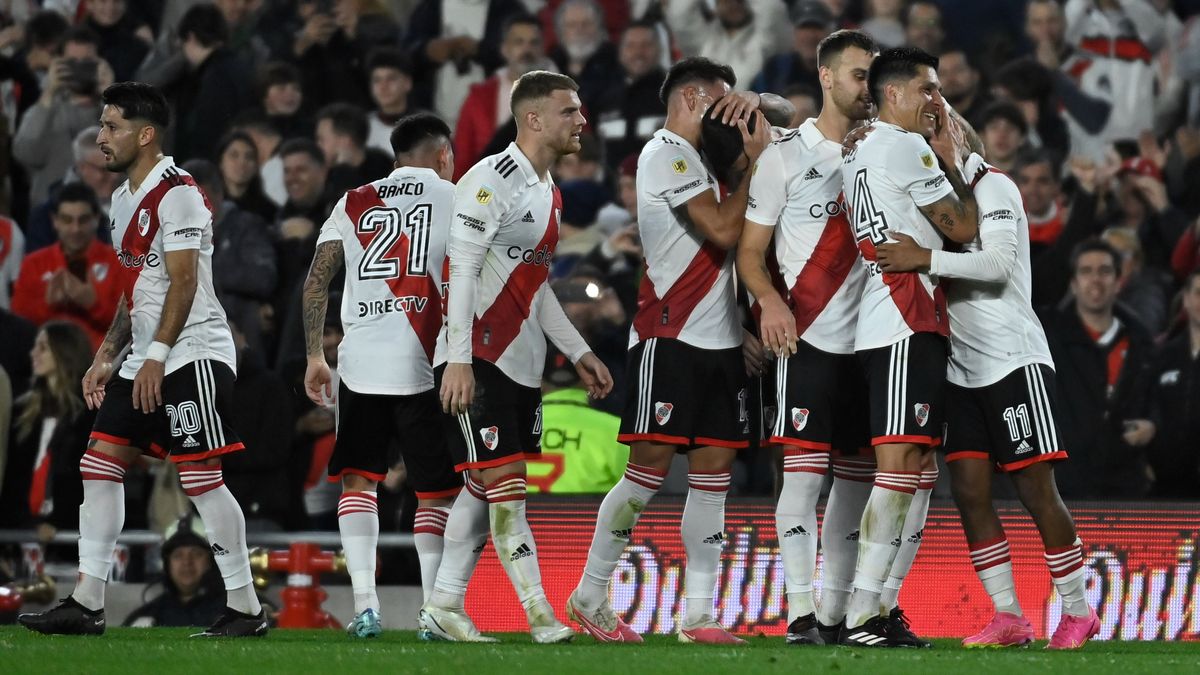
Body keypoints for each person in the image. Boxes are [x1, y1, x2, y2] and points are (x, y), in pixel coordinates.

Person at [18, 82, 266, 638]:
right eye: (102, 126)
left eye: (112, 127)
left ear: (146, 134)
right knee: (98, 463)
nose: (101, 138)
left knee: (200, 478)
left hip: (194, 350)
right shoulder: (122, 198)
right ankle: (88, 601)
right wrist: (107, 355)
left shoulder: (178, 193)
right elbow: (138, 292)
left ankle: (246, 608)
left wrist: (155, 355)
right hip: (149, 355)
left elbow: (183, 282)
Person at [567, 57, 768, 645]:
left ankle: (698, 616)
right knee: (645, 474)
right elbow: (723, 231)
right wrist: (754, 165)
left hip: (721, 344)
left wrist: (739, 326)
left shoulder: (707, 161)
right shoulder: (665, 153)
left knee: (713, 479)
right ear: (690, 100)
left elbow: (719, 262)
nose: (728, 115)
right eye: (720, 102)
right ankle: (590, 594)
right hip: (670, 338)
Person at [874, 129, 1099, 649]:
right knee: (970, 492)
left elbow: (997, 267)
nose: (928, 150)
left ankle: (1077, 611)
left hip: (1012, 359)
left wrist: (924, 258)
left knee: (1036, 491)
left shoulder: (993, 186)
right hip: (961, 368)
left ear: (957, 137)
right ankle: (1009, 615)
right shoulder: (932, 201)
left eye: (936, 135)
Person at [425, 70, 613, 644]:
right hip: (478, 356)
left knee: (482, 487)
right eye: (569, 111)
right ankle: (539, 613)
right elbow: (460, 271)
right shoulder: (490, 179)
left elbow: (535, 286)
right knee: (507, 485)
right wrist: (458, 360)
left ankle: (444, 604)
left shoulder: (549, 190)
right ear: (533, 118)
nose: (581, 120)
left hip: (519, 362)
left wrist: (578, 350)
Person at [739, 29, 881, 646]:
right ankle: (800, 612)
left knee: (856, 483)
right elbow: (750, 253)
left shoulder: (888, 151)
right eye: (858, 75)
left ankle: (837, 614)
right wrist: (769, 303)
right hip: (808, 340)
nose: (869, 88)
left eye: (874, 76)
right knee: (801, 479)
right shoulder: (784, 156)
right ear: (826, 76)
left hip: (875, 344)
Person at [301, 112, 467, 638]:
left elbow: (316, 282)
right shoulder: (455, 197)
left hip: (360, 365)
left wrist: (315, 356)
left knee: (358, 482)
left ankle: (365, 607)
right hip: (428, 363)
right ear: (444, 155)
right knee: (435, 493)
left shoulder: (353, 201)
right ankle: (434, 612)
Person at [837, 46, 978, 647]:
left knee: (917, 469)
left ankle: (883, 605)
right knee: (899, 467)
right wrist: (953, 162)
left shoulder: (862, 146)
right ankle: (861, 614)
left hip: (898, 315)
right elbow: (964, 226)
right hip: (903, 314)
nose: (936, 100)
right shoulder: (905, 147)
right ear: (892, 93)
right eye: (927, 89)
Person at [1039, 239, 1156, 499]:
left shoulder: (1141, 341)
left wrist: (1152, 425)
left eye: (1104, 271)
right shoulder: (1046, 335)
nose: (1095, 280)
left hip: (1126, 487)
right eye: (1086, 271)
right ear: (1073, 283)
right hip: (1063, 486)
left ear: (1118, 281)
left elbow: (1155, 401)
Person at [0, 321, 94, 534]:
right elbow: (12, 477)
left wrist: (58, 522)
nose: (33, 353)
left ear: (65, 352)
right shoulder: (23, 412)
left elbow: (83, 479)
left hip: (70, 532)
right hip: (19, 531)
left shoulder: (89, 413)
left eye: (43, 347)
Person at [11, 183, 127, 349]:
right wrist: (48, 305)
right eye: (67, 220)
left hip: (101, 360)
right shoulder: (33, 264)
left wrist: (93, 304)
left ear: (96, 219)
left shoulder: (117, 262)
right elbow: (17, 324)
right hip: (46, 359)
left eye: (83, 220)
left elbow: (130, 326)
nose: (75, 229)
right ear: (55, 221)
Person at [1145, 270, 1200, 498]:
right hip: (1166, 485)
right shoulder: (1164, 355)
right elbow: (1148, 406)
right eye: (1198, 293)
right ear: (1185, 298)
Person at [123, 516, 225, 628]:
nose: (186, 562)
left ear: (212, 561)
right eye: (178, 555)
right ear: (167, 564)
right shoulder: (147, 619)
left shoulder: (230, 613)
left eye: (196, 554)